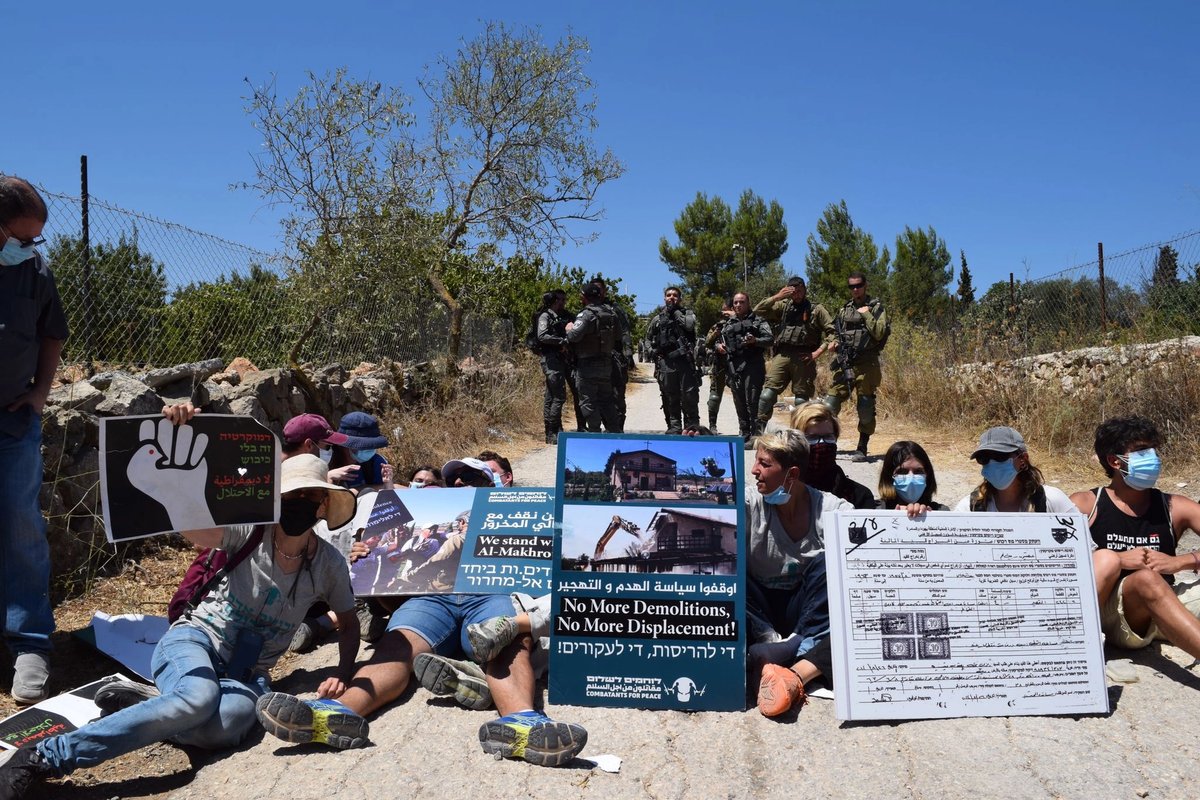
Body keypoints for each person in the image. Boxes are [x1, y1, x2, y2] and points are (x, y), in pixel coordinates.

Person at [0, 408, 362, 797]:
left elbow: (349, 621)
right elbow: (197, 530)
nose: (300, 503)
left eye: (310, 496)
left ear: (323, 506)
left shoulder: (328, 564)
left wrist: (343, 671)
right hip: (196, 641)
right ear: (276, 498)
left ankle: (152, 707)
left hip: (248, 674)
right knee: (198, 698)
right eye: (292, 495)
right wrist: (178, 476)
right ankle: (45, 757)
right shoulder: (250, 531)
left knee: (223, 728)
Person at [0, 177, 67, 706]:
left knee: (22, 529)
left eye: (34, 239)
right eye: (21, 237)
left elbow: (52, 333)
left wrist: (41, 392)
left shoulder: (34, 269)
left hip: (12, 425)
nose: (29, 247)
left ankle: (30, 644)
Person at [1070, 416, 1200, 661]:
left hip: (1166, 604)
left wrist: (1180, 562)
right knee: (1146, 579)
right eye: (1142, 451)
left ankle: (1181, 630)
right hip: (1113, 615)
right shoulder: (1087, 505)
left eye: (1153, 450)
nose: (1153, 458)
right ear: (1115, 461)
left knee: (1153, 582)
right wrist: (1119, 559)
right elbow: (1053, 562)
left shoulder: (1174, 506)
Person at [745, 429, 853, 717]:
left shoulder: (830, 508)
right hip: (758, 608)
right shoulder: (750, 503)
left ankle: (790, 650)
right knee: (725, 568)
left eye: (764, 464)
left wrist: (909, 518)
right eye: (756, 461)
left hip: (806, 614)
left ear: (791, 474)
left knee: (831, 562)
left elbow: (871, 537)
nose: (754, 470)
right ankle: (776, 648)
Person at [822, 272, 889, 462]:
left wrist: (866, 313)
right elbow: (836, 332)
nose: (855, 289)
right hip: (846, 361)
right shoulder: (845, 310)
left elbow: (879, 332)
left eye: (858, 285)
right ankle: (827, 442)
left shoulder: (876, 308)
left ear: (865, 286)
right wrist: (834, 342)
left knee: (865, 406)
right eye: (852, 286)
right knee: (829, 405)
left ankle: (862, 446)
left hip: (867, 362)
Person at [754, 277, 832, 429]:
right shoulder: (783, 307)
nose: (797, 295)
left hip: (804, 357)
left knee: (801, 400)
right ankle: (758, 431)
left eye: (800, 291)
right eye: (793, 292)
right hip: (782, 354)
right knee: (766, 395)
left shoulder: (816, 310)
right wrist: (777, 297)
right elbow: (757, 311)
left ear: (805, 290)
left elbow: (832, 332)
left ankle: (799, 432)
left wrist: (817, 352)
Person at [954, 426, 1076, 513]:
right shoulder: (969, 508)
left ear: (1023, 459)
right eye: (984, 458)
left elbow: (1081, 539)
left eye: (1000, 456)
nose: (992, 463)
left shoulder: (1052, 501)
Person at [788, 403, 875, 509]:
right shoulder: (783, 492)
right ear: (797, 441)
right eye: (812, 437)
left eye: (828, 437)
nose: (822, 443)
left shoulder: (859, 495)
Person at [717, 292, 773, 445]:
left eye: (742, 302)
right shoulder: (728, 323)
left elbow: (770, 339)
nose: (738, 305)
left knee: (753, 400)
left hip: (752, 365)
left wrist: (755, 341)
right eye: (735, 302)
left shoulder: (758, 320)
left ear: (748, 304)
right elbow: (718, 340)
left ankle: (756, 435)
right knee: (739, 400)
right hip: (734, 366)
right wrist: (719, 346)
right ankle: (744, 432)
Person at [565, 283, 620, 433]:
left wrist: (569, 329)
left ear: (584, 297)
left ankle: (594, 432)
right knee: (607, 400)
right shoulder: (611, 313)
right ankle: (615, 431)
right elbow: (618, 336)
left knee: (588, 401)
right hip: (606, 364)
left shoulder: (586, 314)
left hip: (587, 365)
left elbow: (574, 336)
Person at [645, 286, 700, 434]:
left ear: (680, 298)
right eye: (668, 295)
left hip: (685, 362)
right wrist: (652, 352)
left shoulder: (687, 314)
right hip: (666, 364)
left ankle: (692, 428)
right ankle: (674, 428)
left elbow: (689, 326)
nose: (671, 298)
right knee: (670, 397)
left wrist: (675, 312)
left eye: (675, 295)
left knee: (689, 396)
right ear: (664, 298)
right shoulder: (658, 319)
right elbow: (647, 339)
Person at [589, 277, 633, 432]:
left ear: (605, 291)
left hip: (614, 357)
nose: (597, 292)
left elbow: (625, 331)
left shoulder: (615, 309)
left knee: (617, 395)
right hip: (593, 359)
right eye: (593, 288)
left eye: (599, 289)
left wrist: (628, 353)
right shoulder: (587, 309)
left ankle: (617, 430)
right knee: (595, 397)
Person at [531, 290, 573, 444]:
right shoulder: (545, 316)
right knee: (559, 397)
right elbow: (542, 336)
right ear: (555, 301)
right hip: (551, 360)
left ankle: (552, 431)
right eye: (560, 300)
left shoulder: (557, 316)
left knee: (551, 397)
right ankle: (552, 431)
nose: (563, 302)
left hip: (557, 359)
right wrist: (561, 341)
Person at [281, 413, 363, 483]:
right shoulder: (276, 475)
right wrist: (326, 479)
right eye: (328, 446)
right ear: (309, 445)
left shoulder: (290, 468)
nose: (331, 451)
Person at [327, 412, 391, 490]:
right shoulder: (327, 460)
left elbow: (388, 489)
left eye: (371, 446)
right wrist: (328, 477)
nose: (368, 450)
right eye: (363, 446)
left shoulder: (376, 463)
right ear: (345, 445)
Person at [877, 440, 948, 511]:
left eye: (918, 471)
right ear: (889, 476)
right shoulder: (875, 510)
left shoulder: (942, 512)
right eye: (902, 472)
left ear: (928, 475)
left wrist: (928, 516)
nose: (911, 478)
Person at [703, 297, 734, 434]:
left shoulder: (744, 322)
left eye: (725, 309)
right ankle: (712, 425)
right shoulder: (718, 326)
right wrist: (716, 341)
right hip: (720, 364)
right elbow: (707, 343)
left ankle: (745, 428)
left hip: (738, 364)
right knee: (715, 396)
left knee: (742, 397)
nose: (723, 312)